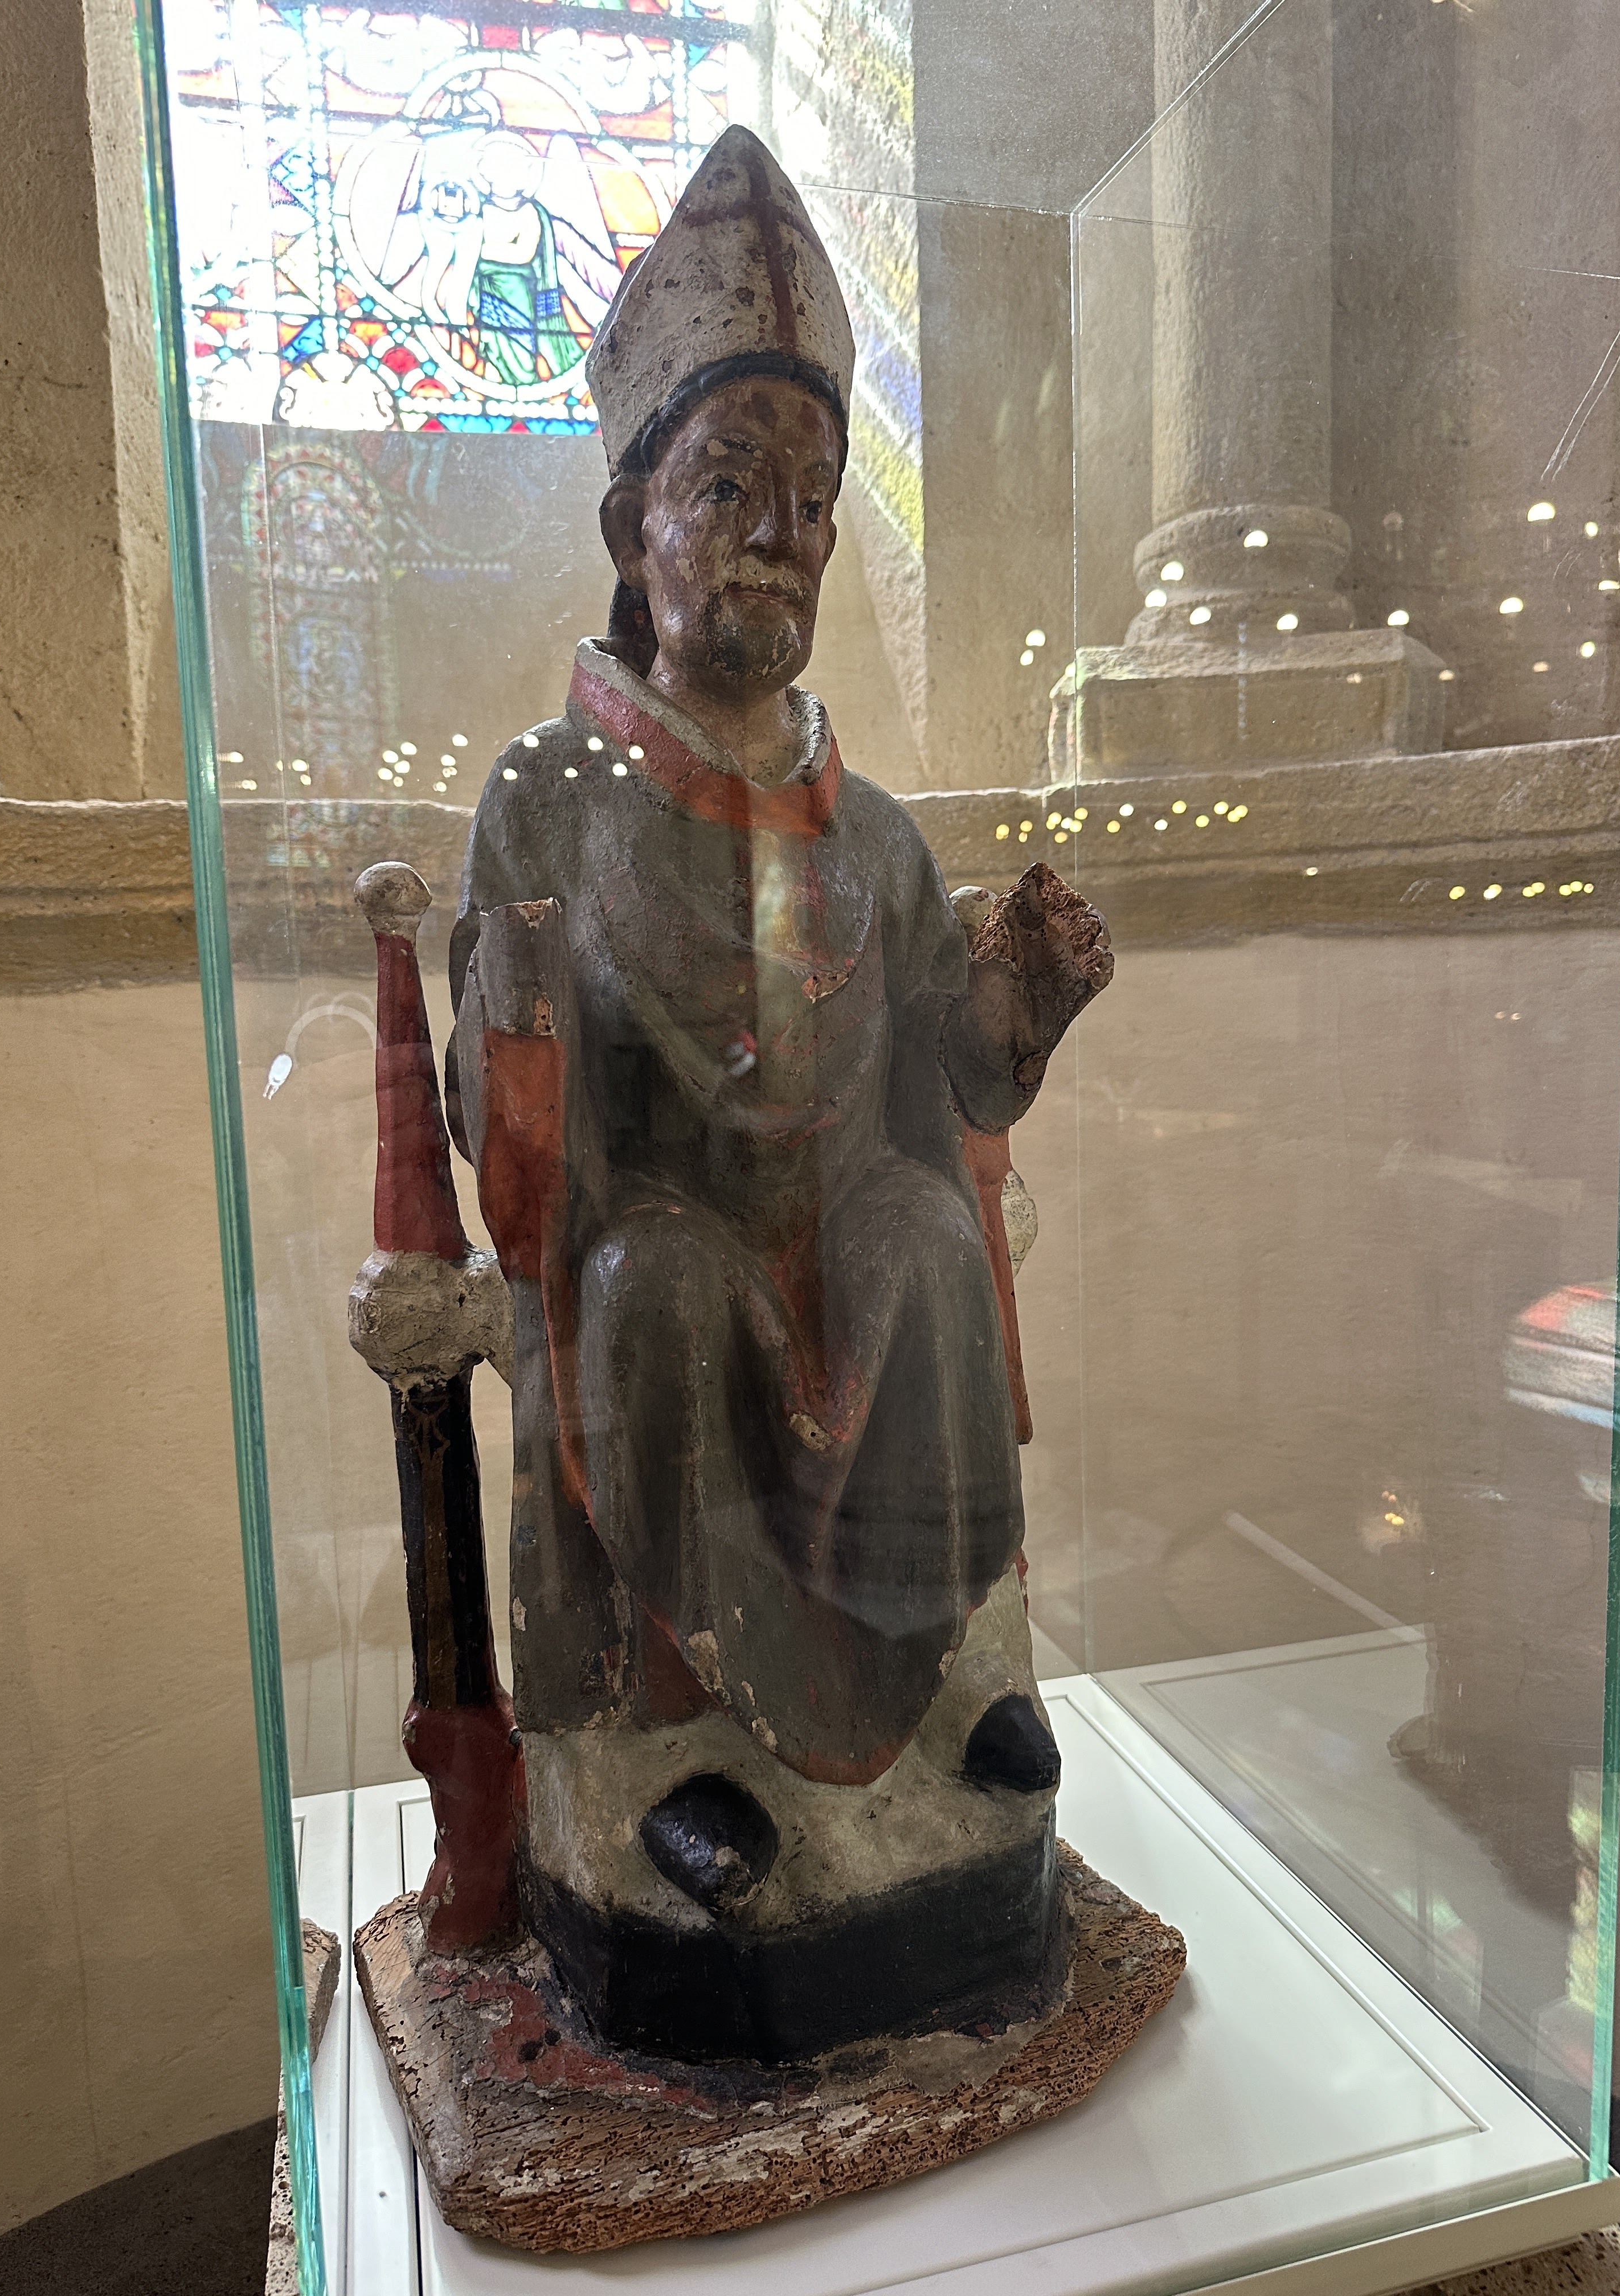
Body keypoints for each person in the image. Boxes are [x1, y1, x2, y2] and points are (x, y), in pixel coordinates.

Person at [445, 125, 1113, 2060]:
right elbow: (510, 1143)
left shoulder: (874, 835)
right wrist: (515, 1020)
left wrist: (1014, 1017)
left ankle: (947, 1694)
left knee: (923, 1237)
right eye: (729, 484)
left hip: (844, 1238)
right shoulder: (549, 799)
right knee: (659, 1295)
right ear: (630, 525)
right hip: (649, 1259)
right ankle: (682, 1749)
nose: (779, 534)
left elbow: (943, 1088)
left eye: (812, 501)